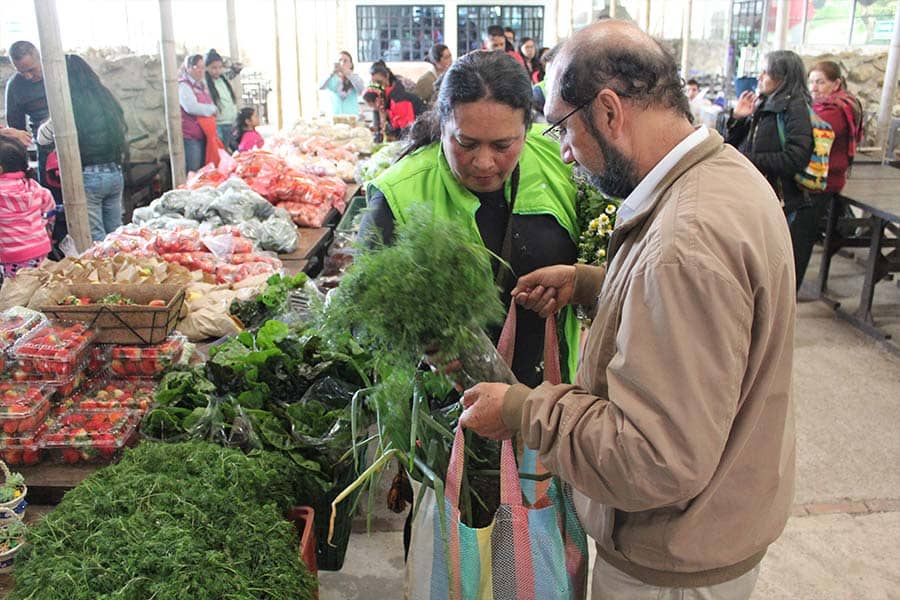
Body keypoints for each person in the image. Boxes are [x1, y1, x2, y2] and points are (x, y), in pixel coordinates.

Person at [458, 20, 795, 600]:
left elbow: (655, 457)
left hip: (672, 561)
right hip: (718, 519)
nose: (563, 154)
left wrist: (521, 409)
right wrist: (597, 284)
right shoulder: (722, 174)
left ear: (609, 111)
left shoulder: (684, 244)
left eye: (564, 128)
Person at [359, 49, 582, 387]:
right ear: (442, 122)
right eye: (466, 143)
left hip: (551, 396)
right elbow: (363, 315)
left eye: (503, 145)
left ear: (527, 129)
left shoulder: (557, 159)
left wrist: (582, 281)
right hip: (447, 413)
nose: (484, 162)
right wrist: (418, 344)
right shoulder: (397, 195)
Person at [726, 50, 814, 291]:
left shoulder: (794, 109)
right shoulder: (765, 103)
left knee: (770, 273)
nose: (760, 76)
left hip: (781, 202)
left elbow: (795, 158)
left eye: (766, 71)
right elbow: (730, 144)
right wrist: (738, 117)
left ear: (782, 76)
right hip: (755, 198)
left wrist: (747, 160)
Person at [36, 55, 127, 242]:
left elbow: (42, 138)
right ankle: (125, 269)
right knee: (117, 235)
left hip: (89, 176)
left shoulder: (70, 106)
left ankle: (104, 271)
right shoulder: (105, 98)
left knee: (96, 239)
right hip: (114, 172)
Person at [0, 136, 55, 282]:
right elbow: (50, 208)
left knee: (15, 292)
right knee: (38, 284)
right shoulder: (32, 185)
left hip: (13, 255)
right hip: (40, 248)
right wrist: (46, 225)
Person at [178, 54, 218, 174]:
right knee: (194, 171)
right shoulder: (183, 85)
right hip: (191, 136)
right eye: (197, 67)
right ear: (188, 68)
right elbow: (191, 107)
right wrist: (211, 109)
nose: (201, 71)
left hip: (204, 134)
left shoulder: (201, 85)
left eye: (202, 67)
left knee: (205, 169)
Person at [367, 61, 426, 140]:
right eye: (373, 84)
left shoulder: (399, 98)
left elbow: (406, 132)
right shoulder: (384, 94)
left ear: (387, 76)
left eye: (379, 82)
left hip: (419, 136)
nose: (376, 87)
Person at [204, 49, 239, 146]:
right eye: (213, 67)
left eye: (220, 67)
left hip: (230, 122)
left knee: (228, 154)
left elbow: (239, 67)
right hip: (217, 125)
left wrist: (225, 63)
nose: (217, 70)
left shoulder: (223, 78)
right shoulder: (204, 82)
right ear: (206, 68)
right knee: (220, 155)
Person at [319, 51, 365, 116]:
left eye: (345, 61)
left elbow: (362, 90)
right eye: (340, 60)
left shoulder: (355, 77)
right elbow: (321, 87)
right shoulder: (331, 78)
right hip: (334, 116)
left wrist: (348, 74)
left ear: (351, 64)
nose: (342, 63)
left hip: (351, 117)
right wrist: (331, 73)